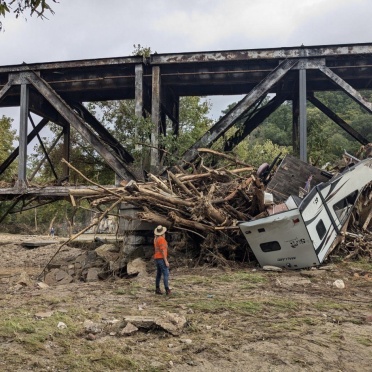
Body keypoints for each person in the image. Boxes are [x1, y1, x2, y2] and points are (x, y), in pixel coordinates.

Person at [153, 225, 171, 295]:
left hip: (157, 258)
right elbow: (163, 250)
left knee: (159, 274)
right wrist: (166, 261)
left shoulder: (156, 239)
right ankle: (167, 289)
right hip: (161, 258)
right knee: (166, 273)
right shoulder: (162, 239)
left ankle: (157, 288)